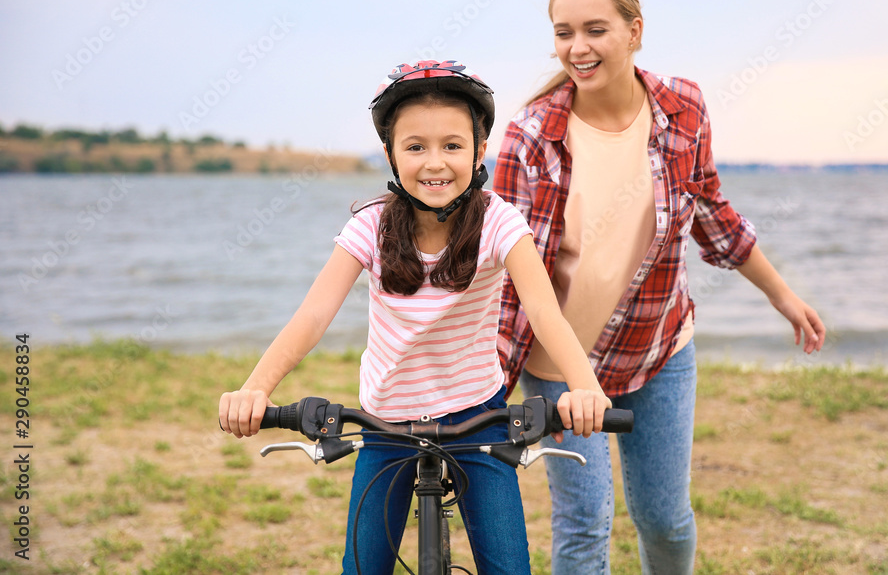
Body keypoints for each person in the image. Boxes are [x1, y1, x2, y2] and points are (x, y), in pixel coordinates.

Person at [494, 0, 827, 574]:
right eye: (563, 32)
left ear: (634, 30)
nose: (578, 47)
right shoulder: (531, 134)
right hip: (561, 364)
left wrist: (781, 295)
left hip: (660, 349)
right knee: (584, 525)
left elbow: (710, 211)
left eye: (595, 28)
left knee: (666, 521)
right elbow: (509, 272)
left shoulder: (682, 108)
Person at [218, 59, 612, 575]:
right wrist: (256, 388)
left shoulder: (498, 220)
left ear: (478, 152)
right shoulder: (371, 225)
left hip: (477, 416)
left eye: (452, 145)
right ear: (390, 153)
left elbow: (542, 310)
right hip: (385, 422)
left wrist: (585, 386)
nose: (435, 163)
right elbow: (314, 314)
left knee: (509, 567)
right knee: (363, 567)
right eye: (415, 147)